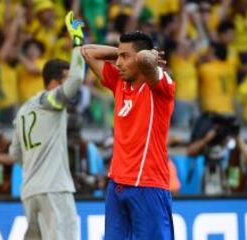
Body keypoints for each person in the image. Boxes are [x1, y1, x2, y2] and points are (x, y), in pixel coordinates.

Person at [0, 11, 85, 240]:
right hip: (54, 189)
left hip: (30, 193)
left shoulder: (24, 111)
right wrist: (77, 42)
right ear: (54, 83)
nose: (67, 89)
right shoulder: (50, 101)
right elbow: (76, 80)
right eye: (63, 80)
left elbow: (15, 155)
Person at [81, 31, 175, 239]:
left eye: (125, 57)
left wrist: (141, 56)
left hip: (148, 186)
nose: (118, 63)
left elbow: (144, 59)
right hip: (117, 185)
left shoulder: (159, 88)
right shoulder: (119, 84)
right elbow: (87, 52)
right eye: (118, 57)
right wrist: (124, 52)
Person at [187, 112, 247, 194]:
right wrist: (206, 139)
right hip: (212, 191)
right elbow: (190, 151)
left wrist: (237, 136)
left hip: (235, 194)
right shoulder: (211, 145)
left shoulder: (237, 145)